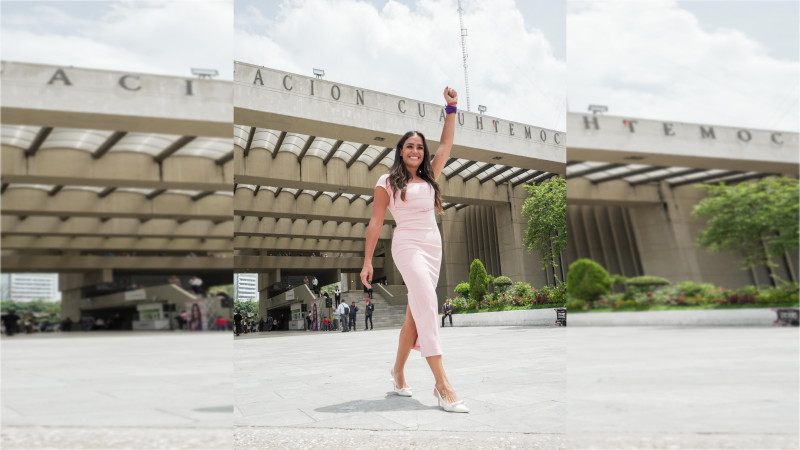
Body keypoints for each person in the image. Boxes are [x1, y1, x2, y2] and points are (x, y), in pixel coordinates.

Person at [360, 87, 468, 413]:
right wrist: (367, 260)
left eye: (420, 147)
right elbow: (376, 223)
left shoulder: (430, 176)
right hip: (406, 246)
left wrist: (451, 108)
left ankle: (397, 372)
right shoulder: (387, 182)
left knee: (413, 319)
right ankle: (442, 385)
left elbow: (447, 144)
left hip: (433, 248)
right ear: (400, 150)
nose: (416, 151)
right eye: (410, 146)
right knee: (428, 301)